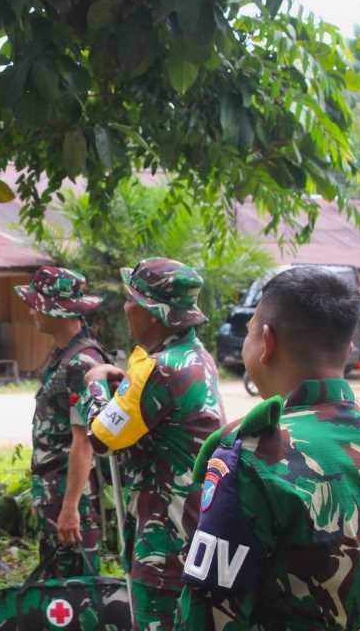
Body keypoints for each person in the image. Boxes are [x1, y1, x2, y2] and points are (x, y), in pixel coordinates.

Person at [176, 266, 360, 630]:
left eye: (250, 330)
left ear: (266, 342)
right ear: (348, 349)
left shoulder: (253, 460)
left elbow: (208, 616)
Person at [78, 258, 225, 629]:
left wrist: (96, 382)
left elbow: (100, 437)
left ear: (153, 315)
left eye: (132, 300)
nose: (126, 308)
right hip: (198, 528)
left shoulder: (158, 369)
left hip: (165, 543)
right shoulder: (197, 357)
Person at [16, 266, 112, 577]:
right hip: (56, 491)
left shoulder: (82, 362)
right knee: (57, 582)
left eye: (38, 303)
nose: (32, 311)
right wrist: (44, 493)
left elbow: (83, 443)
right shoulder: (65, 355)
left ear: (58, 311)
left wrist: (70, 508)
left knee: (75, 591)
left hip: (73, 497)